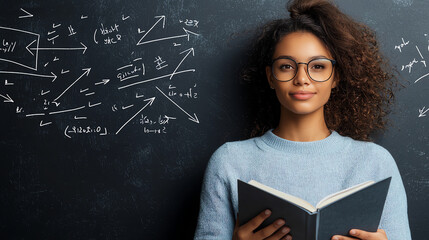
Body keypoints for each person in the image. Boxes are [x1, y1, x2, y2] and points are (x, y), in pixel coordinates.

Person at [193, 0, 412, 239]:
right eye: (287, 66)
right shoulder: (228, 162)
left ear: (335, 77)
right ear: (270, 77)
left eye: (318, 66)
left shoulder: (376, 163)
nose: (302, 79)